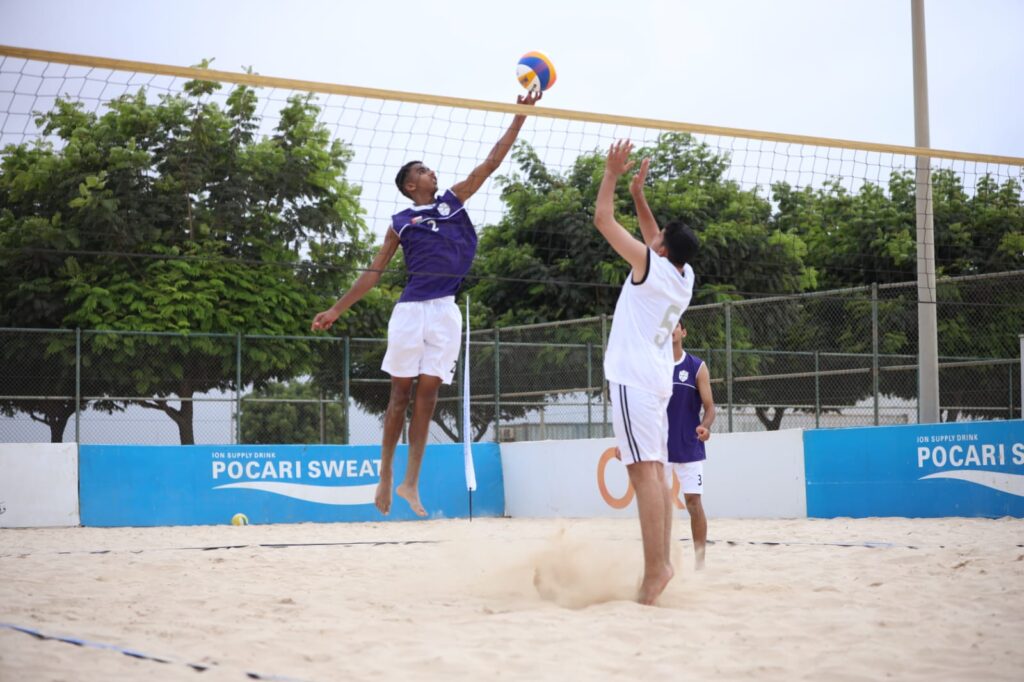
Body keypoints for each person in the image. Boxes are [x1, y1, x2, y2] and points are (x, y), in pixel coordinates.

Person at [311, 90, 541, 516]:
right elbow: (373, 273)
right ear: (410, 186)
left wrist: (519, 116)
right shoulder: (401, 222)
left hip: (445, 312)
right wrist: (336, 309)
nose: (431, 171)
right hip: (411, 310)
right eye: (423, 170)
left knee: (429, 396)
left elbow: (491, 163)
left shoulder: (452, 202)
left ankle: (410, 483)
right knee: (399, 395)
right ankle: (385, 474)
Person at [595, 140, 699, 605]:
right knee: (654, 473)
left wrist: (612, 175)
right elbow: (654, 235)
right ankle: (661, 564)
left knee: (644, 475)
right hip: (656, 381)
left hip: (633, 378)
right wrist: (639, 196)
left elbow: (603, 220)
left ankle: (657, 567)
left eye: (656, 240)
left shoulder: (650, 267)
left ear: (662, 250)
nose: (651, 238)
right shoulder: (683, 277)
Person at [666, 321, 715, 570]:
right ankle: (660, 563)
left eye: (676, 325)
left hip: (688, 445)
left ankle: (700, 563)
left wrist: (705, 426)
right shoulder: (654, 366)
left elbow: (710, 407)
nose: (671, 329)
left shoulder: (696, 366)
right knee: (659, 507)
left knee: (693, 503)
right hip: (660, 448)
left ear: (683, 332)